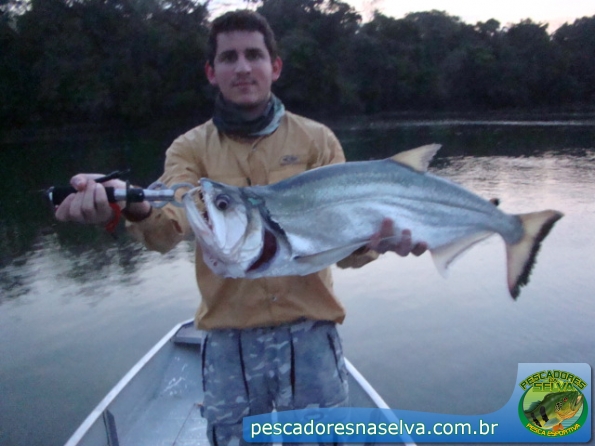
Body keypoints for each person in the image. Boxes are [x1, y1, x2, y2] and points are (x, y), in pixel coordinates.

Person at [55, 10, 426, 446]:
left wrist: (377, 241)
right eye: (229, 57)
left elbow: (343, 245)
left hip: (311, 336)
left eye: (254, 55)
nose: (243, 67)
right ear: (212, 72)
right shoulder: (189, 149)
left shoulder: (318, 141)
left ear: (275, 66)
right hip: (228, 343)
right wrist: (128, 204)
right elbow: (169, 227)